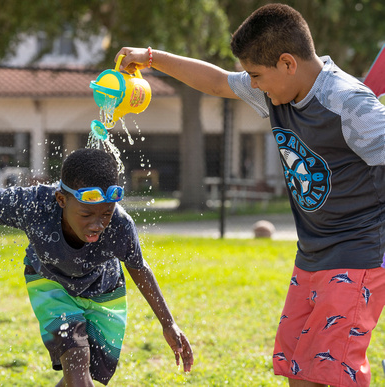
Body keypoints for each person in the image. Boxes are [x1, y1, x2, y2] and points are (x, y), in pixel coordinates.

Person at [116, 3, 385, 387]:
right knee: (298, 368)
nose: (252, 85)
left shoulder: (349, 104)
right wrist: (152, 58)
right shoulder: (279, 92)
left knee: (330, 370)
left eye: (257, 76)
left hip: (357, 256)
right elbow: (217, 82)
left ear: (288, 63)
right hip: (311, 257)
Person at [0, 148, 193, 386]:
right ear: (62, 200)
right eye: (86, 214)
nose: (97, 224)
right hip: (49, 283)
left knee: (87, 370)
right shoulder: (35, 204)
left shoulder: (120, 225)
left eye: (105, 214)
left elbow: (138, 267)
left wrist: (168, 324)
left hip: (103, 290)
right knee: (76, 358)